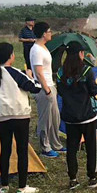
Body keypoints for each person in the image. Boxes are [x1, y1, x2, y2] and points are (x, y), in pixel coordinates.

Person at [0, 42, 42, 193]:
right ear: (11, 56)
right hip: (20, 117)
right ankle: (22, 188)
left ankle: (4, 187)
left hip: (1, 118)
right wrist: (31, 77)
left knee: (5, 150)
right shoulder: (15, 73)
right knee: (22, 151)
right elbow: (35, 87)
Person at [56, 42, 97, 189]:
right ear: (81, 54)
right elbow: (93, 91)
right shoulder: (87, 70)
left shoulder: (60, 73)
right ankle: (92, 177)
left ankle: (73, 179)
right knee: (91, 147)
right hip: (88, 115)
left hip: (70, 117)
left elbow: (61, 92)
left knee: (71, 148)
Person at [30, 21, 65, 157]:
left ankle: (56, 144)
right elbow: (38, 73)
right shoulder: (36, 50)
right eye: (49, 31)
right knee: (45, 119)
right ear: (44, 34)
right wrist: (47, 90)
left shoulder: (43, 47)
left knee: (55, 117)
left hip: (50, 85)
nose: (51, 33)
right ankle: (45, 148)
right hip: (43, 88)